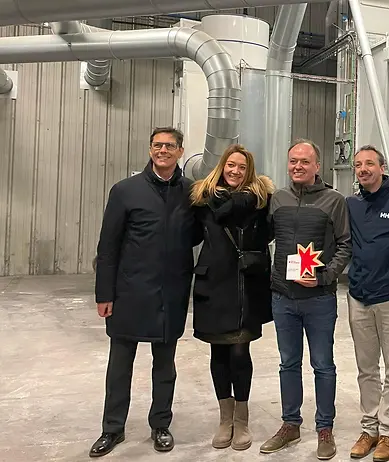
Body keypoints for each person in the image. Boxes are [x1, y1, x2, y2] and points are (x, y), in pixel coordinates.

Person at [90, 127, 202, 457]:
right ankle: (112, 429)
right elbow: (107, 246)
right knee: (120, 366)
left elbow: (194, 235)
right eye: (157, 145)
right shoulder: (125, 191)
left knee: (165, 365)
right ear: (151, 149)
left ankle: (161, 424)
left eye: (169, 146)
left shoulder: (191, 193)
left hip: (171, 293)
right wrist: (104, 294)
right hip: (129, 293)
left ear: (181, 151)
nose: (162, 150)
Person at [260, 139, 352, 460]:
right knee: (288, 363)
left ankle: (324, 427)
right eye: (293, 161)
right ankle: (290, 423)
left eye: (304, 161)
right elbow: (263, 237)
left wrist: (325, 277)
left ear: (317, 166)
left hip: (319, 300)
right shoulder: (278, 200)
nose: (298, 166)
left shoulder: (334, 201)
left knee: (323, 365)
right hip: (283, 298)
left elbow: (345, 245)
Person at [189, 144, 275, 451]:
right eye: (231, 165)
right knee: (219, 354)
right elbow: (188, 235)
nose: (235, 171)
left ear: (249, 171)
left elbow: (270, 234)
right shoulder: (203, 200)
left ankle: (242, 418)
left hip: (247, 285)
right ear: (222, 166)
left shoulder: (261, 201)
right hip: (214, 285)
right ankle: (225, 419)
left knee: (240, 353)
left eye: (242, 167)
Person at [345, 145, 389, 461]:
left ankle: (388, 433)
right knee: (366, 369)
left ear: (382, 167)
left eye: (369, 164)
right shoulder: (351, 204)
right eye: (358, 165)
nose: (363, 169)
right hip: (358, 298)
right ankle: (369, 429)